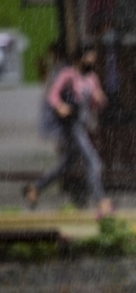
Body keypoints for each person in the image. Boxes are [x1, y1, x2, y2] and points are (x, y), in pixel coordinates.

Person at [24, 44, 113, 217]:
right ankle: (101, 201)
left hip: (81, 124)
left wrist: (100, 100)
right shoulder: (68, 75)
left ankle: (35, 188)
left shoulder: (91, 78)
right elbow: (52, 94)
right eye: (89, 58)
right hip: (71, 126)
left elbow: (94, 102)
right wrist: (60, 106)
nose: (92, 61)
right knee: (93, 162)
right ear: (80, 58)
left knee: (66, 165)